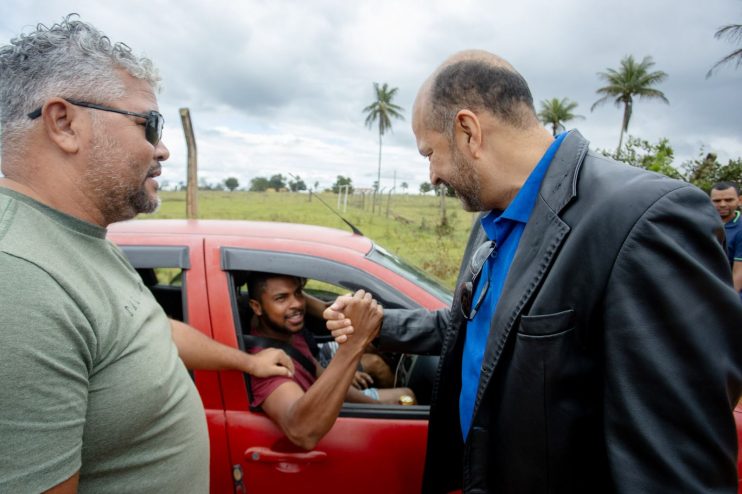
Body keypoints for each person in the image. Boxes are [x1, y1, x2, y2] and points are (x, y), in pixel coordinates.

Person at [326, 50, 742, 493]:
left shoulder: (645, 218)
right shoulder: (491, 220)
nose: (431, 175)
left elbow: (672, 467)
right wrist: (376, 324)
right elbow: (472, 326)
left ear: (469, 131)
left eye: (430, 152)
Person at [0, 15, 294, 493]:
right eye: (148, 124)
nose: (161, 150)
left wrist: (248, 362)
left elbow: (148, 330)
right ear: (64, 123)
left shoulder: (81, 240)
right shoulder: (17, 281)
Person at [244, 272, 415, 449]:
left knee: (404, 397)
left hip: (330, 400)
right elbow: (302, 431)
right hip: (325, 421)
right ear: (256, 307)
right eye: (281, 298)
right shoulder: (267, 364)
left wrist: (378, 408)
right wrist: (352, 345)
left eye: (298, 293)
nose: (296, 304)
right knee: (407, 397)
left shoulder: (287, 333)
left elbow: (319, 373)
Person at [710, 182, 742, 294]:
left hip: (731, 293)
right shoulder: (702, 224)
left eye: (729, 200)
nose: (722, 204)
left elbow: (739, 273)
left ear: (739, 200)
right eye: (717, 201)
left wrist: (725, 302)